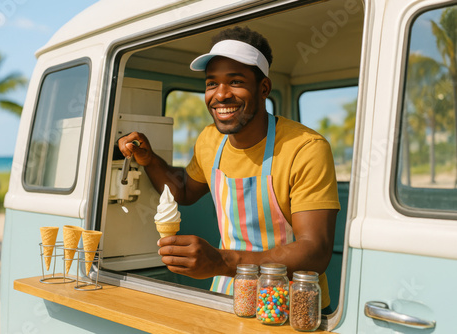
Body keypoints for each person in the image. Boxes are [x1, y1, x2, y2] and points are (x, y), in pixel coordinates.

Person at [117, 26, 340, 310]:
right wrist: (149, 160)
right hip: (227, 297)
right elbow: (184, 190)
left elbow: (315, 250)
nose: (220, 95)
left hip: (293, 306)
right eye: (212, 83)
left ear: (263, 89)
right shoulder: (210, 139)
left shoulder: (306, 147)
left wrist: (222, 261)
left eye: (235, 82)